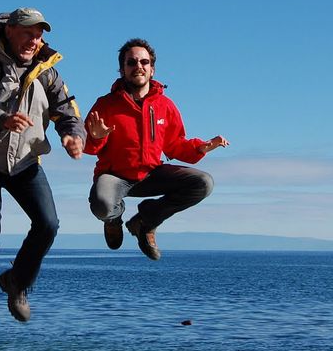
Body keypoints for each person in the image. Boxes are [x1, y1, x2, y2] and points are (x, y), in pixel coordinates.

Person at [0, 7, 84, 322]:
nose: (34, 40)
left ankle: (17, 281)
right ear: (10, 32)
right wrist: (2, 119)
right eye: (28, 33)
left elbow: (66, 110)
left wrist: (73, 136)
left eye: (39, 34)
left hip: (26, 161)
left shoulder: (48, 72)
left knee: (48, 224)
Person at [84, 38, 229, 260]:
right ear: (122, 69)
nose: (138, 66)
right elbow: (88, 146)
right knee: (102, 206)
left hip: (151, 174)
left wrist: (202, 148)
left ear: (152, 69)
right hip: (115, 176)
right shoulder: (106, 104)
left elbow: (175, 145)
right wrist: (95, 137)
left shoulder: (165, 106)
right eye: (131, 62)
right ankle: (113, 219)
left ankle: (145, 222)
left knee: (203, 183)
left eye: (144, 62)